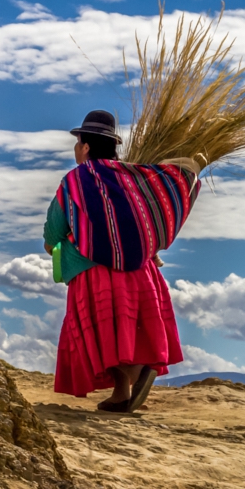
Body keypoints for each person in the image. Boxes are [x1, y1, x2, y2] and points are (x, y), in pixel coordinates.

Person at [43, 110, 200, 413]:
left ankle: (123, 391)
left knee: (104, 332)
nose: (76, 149)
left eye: (78, 143)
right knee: (130, 327)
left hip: (94, 271)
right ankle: (137, 378)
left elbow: (54, 230)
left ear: (86, 146)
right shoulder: (135, 175)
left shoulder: (75, 181)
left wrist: (53, 246)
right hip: (142, 271)